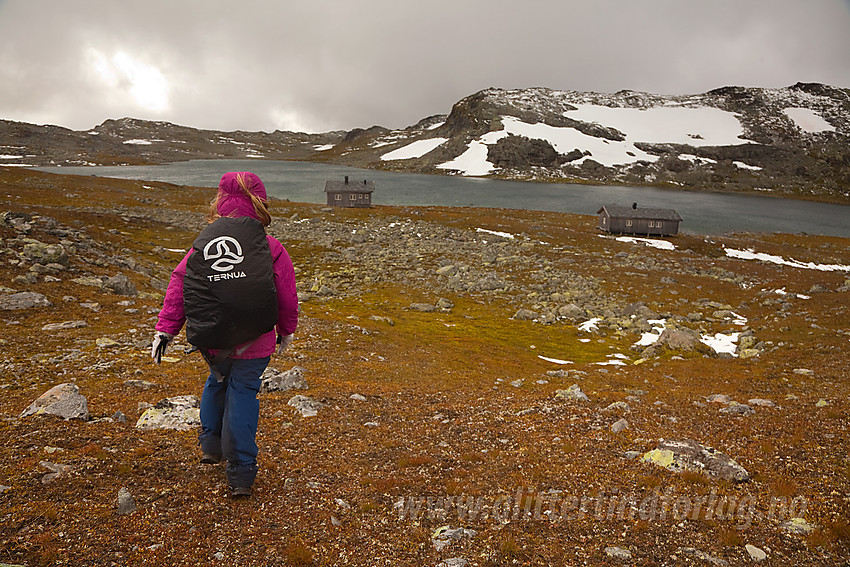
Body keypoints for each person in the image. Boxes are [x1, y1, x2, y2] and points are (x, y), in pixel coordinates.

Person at [151, 171, 298, 498]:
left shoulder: (204, 242)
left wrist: (166, 329)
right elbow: (286, 296)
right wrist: (286, 331)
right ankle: (241, 473)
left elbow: (180, 284)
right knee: (243, 394)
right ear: (259, 202)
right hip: (256, 342)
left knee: (217, 382)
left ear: (221, 201)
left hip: (213, 342)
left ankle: (211, 446)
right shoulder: (271, 247)